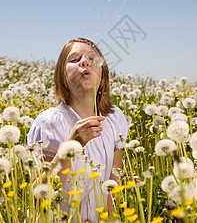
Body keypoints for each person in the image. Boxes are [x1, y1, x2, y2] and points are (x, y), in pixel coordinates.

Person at [27, 37, 129, 222]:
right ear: (62, 76)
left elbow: (114, 185)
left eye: (93, 59)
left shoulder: (115, 118)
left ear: (103, 76)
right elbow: (34, 197)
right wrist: (71, 146)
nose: (85, 62)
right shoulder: (48, 123)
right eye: (74, 60)